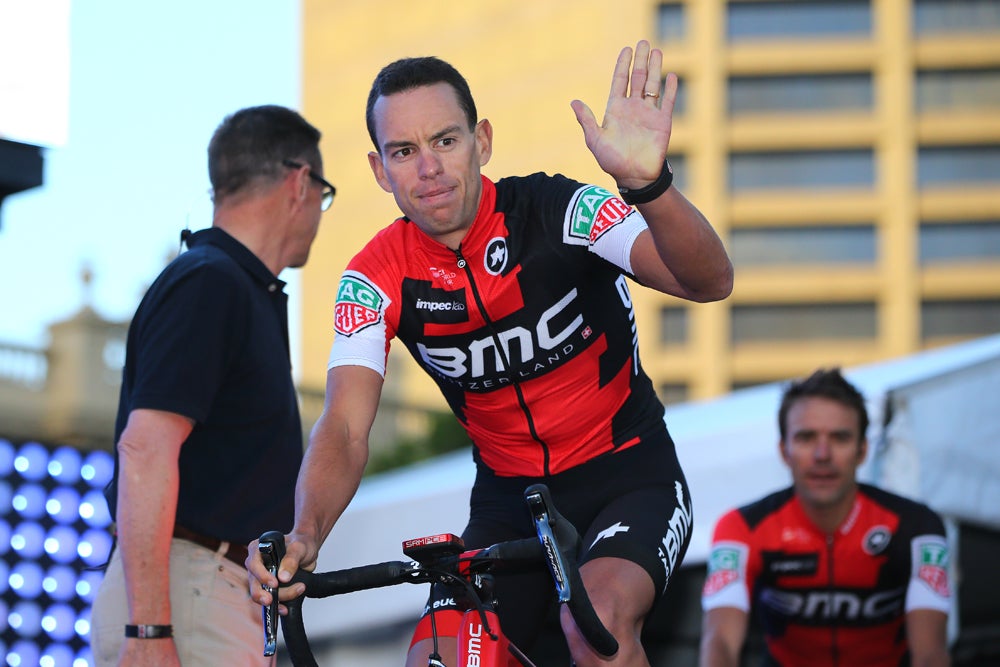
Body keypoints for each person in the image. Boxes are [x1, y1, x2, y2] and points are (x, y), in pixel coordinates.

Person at [249, 40, 733, 667]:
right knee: (444, 653)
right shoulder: (373, 278)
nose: (429, 168)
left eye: (445, 141)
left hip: (628, 472)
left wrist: (649, 184)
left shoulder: (563, 211)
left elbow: (707, 281)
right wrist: (306, 531)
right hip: (510, 500)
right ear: (379, 171)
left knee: (596, 624)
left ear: (482, 140)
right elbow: (343, 425)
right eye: (404, 151)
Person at [90, 104, 334, 666]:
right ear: (300, 183)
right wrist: (149, 630)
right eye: (322, 197)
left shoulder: (226, 285)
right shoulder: (211, 282)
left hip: (205, 598)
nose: (319, 214)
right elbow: (144, 448)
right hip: (187, 598)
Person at [699, 368, 952, 667]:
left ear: (862, 450)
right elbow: (720, 642)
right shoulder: (742, 528)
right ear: (784, 450)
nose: (822, 454)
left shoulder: (916, 527)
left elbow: (931, 653)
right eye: (806, 437)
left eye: (840, 438)